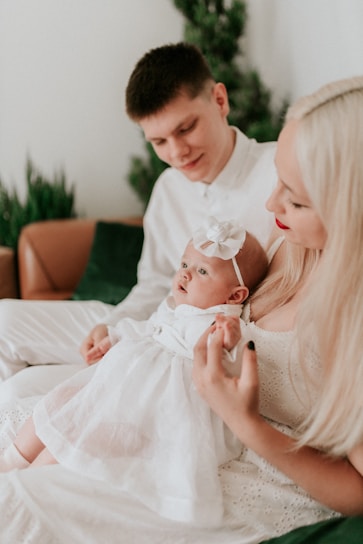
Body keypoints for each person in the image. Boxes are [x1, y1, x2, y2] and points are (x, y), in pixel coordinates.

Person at [0, 74, 361, 544]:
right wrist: (130, 336)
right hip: (181, 405)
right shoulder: (294, 247)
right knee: (29, 402)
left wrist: (243, 420)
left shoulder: (349, 321)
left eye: (293, 198)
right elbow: (161, 288)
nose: (271, 202)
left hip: (238, 462)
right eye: (279, 182)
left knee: (18, 503)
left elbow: (356, 492)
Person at [0, 42, 276, 403]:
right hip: (150, 321)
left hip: (196, 344)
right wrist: (113, 328)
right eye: (158, 141)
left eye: (186, 128)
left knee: (19, 392)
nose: (177, 153)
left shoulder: (277, 172)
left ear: (220, 101)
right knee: (3, 318)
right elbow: (155, 283)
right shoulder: (168, 189)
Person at [0, 219, 268, 528]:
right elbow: (147, 328)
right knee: (59, 400)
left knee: (85, 433)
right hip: (124, 380)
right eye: (184, 264)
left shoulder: (221, 325)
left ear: (235, 296)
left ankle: (33, 479)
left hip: (152, 407)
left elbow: (231, 367)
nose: (185, 273)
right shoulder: (175, 305)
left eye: (202, 271)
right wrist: (113, 337)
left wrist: (230, 340)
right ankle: (12, 461)